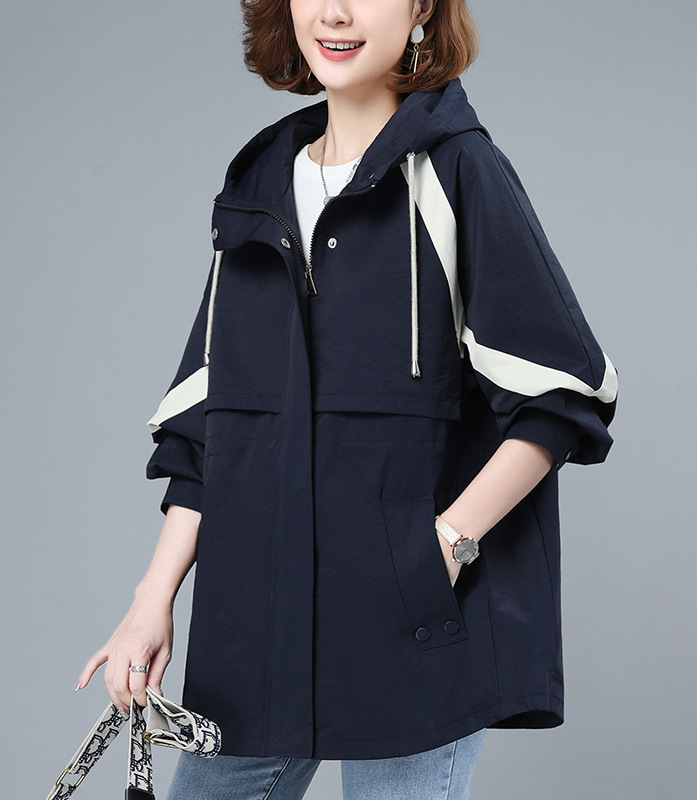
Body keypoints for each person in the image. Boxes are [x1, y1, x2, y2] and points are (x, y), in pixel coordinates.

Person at [76, 0, 618, 797]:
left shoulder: (459, 171)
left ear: (421, 6)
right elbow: (208, 430)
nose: (335, 11)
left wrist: (444, 547)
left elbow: (562, 393)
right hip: (259, 632)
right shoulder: (256, 190)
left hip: (415, 632)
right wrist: (150, 602)